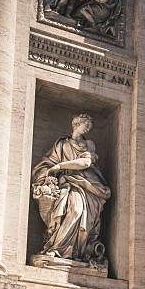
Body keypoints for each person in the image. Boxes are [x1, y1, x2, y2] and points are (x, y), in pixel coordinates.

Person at [31, 113, 111, 263]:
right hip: (67, 183)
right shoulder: (61, 144)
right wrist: (48, 172)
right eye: (86, 125)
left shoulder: (89, 144)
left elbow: (86, 163)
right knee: (73, 210)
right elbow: (48, 163)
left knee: (78, 212)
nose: (88, 129)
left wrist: (60, 165)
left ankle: (76, 251)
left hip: (86, 185)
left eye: (90, 127)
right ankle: (56, 248)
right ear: (76, 124)